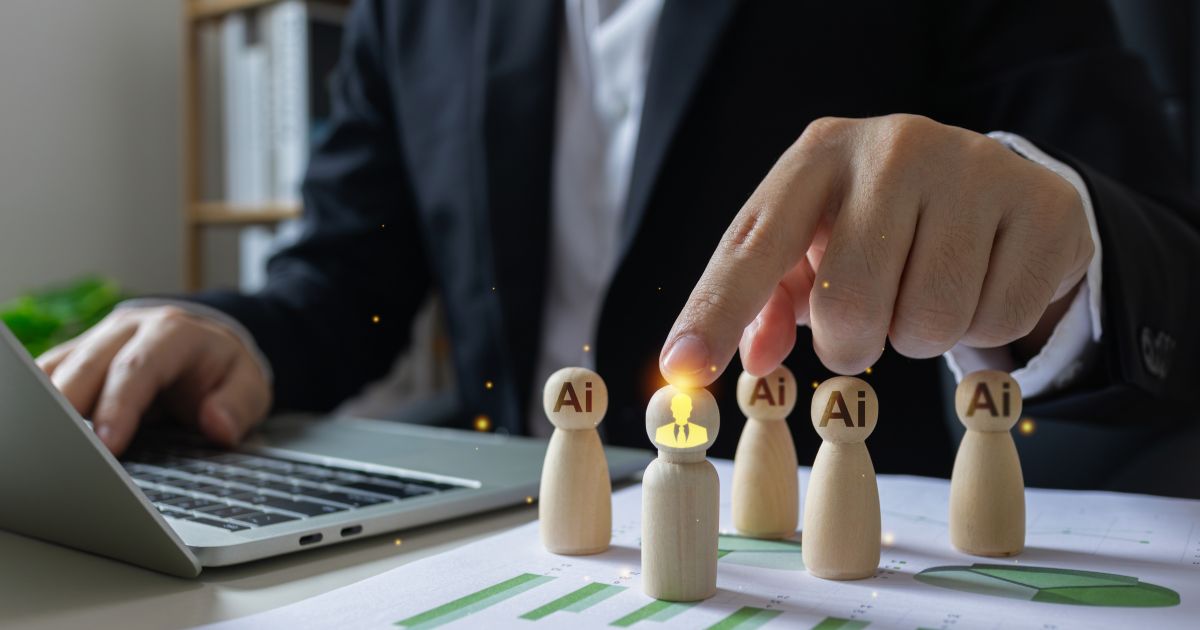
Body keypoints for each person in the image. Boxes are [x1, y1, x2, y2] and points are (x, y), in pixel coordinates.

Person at [37, 1, 1199, 488]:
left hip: (829, 525)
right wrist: (228, 328)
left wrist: (1057, 257)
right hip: (492, 517)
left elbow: (1153, 242)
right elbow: (348, 271)